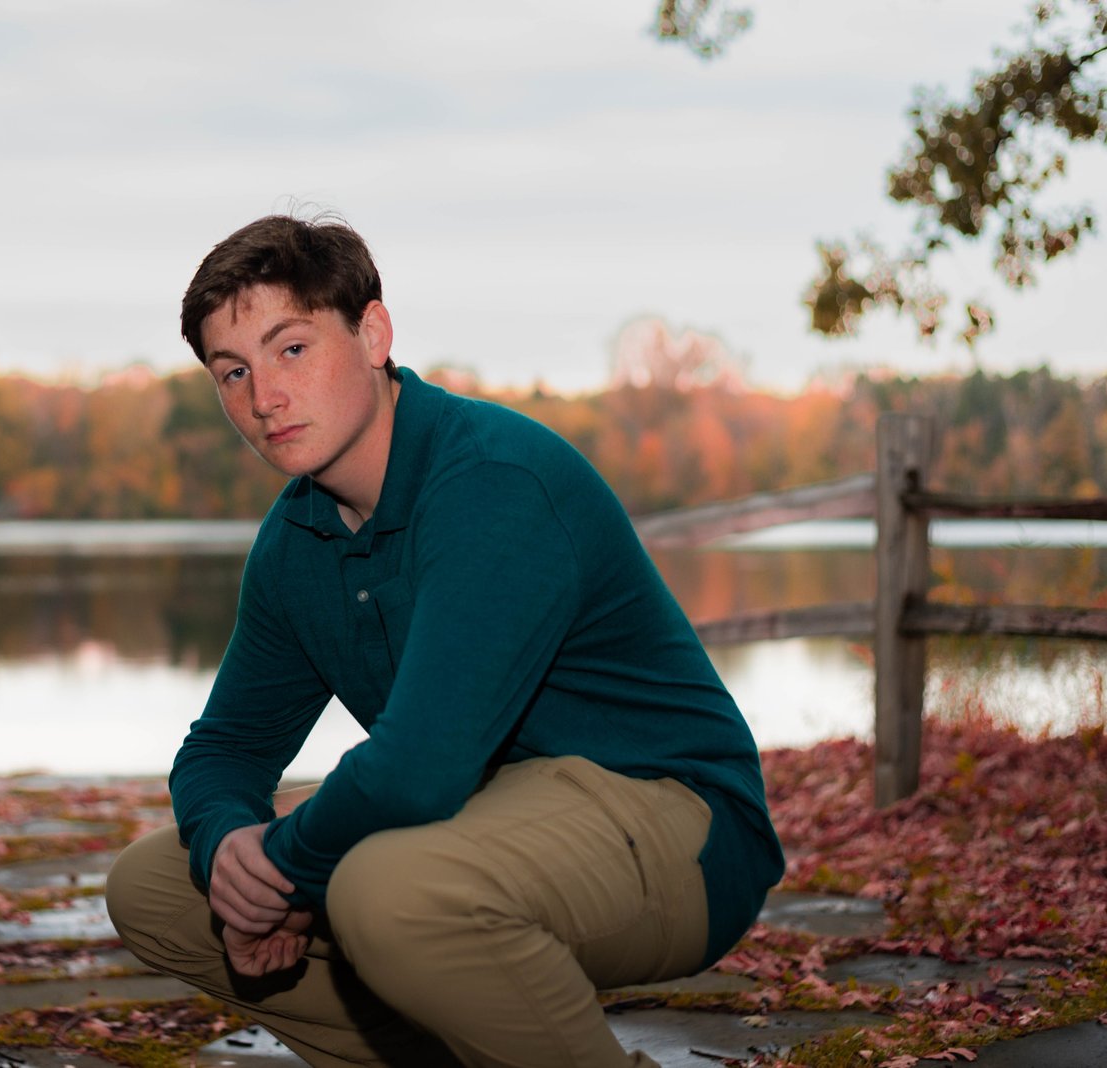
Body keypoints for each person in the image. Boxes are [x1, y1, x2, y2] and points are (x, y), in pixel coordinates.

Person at [106, 213, 785, 1068]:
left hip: (672, 819)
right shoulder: (297, 543)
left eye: (290, 350)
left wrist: (279, 875)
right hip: (487, 811)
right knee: (155, 888)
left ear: (374, 334)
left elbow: (416, 770)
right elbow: (225, 749)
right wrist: (225, 845)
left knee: (384, 892)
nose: (262, 396)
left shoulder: (491, 483)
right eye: (232, 371)